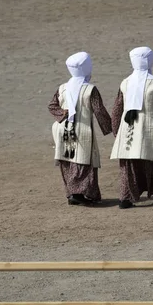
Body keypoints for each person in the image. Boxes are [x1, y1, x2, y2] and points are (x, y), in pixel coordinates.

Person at [110, 46, 153, 209]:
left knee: (129, 165)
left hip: (127, 128)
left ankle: (125, 197)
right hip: (147, 128)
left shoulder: (125, 83)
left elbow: (117, 109)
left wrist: (117, 130)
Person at [48, 52, 112, 206]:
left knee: (68, 160)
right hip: (81, 131)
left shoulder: (62, 88)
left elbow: (52, 106)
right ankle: (84, 194)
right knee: (83, 162)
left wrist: (62, 114)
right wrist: (111, 127)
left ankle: (72, 193)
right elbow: (99, 111)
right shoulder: (90, 90)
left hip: (63, 129)